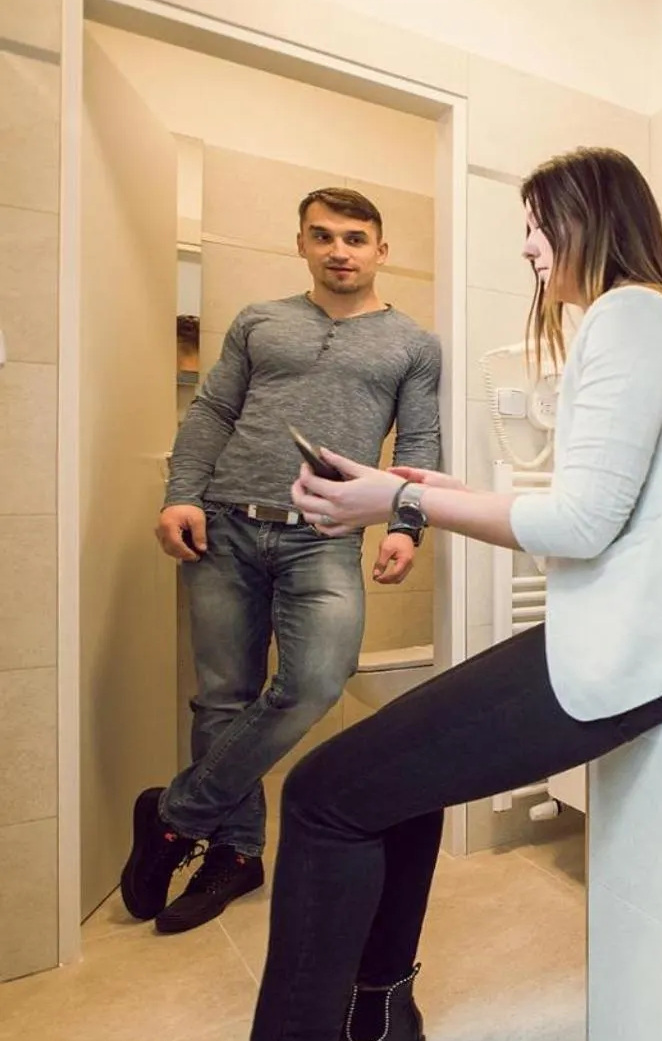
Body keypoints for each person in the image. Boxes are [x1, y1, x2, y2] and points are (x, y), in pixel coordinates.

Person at [130, 147, 662, 1041]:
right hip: (650, 636)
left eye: (537, 223)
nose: (526, 244)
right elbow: (613, 504)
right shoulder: (660, 317)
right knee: (389, 774)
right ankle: (377, 1016)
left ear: (587, 218)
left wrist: (400, 501)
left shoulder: (628, 314)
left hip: (639, 644)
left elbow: (579, 521)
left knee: (330, 789)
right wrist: (428, 483)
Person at [123, 187, 442, 935]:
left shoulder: (413, 344)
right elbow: (212, 412)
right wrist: (183, 495)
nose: (340, 251)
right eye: (324, 236)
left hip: (327, 534)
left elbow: (420, 447)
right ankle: (234, 855)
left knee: (315, 683)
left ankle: (174, 815)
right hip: (227, 523)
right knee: (222, 698)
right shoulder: (261, 321)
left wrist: (407, 524)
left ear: (381, 251)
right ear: (300, 242)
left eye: (356, 238)